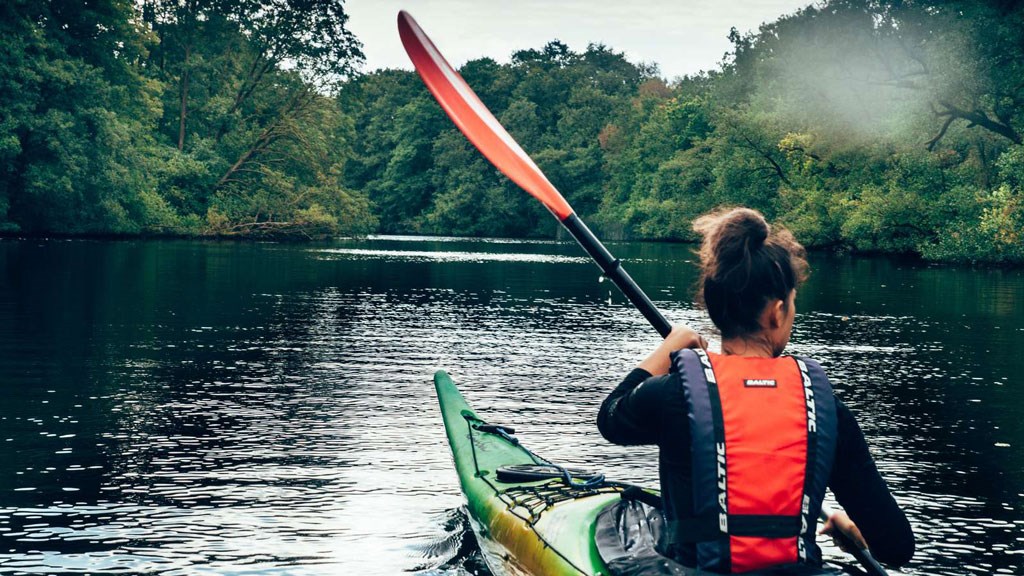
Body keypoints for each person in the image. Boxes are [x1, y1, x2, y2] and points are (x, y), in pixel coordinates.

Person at [597, 207, 914, 573]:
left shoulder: (672, 395)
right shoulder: (825, 409)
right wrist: (856, 531)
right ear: (777, 312)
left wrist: (667, 350)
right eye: (793, 304)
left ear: (715, 309)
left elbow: (610, 418)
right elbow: (896, 547)